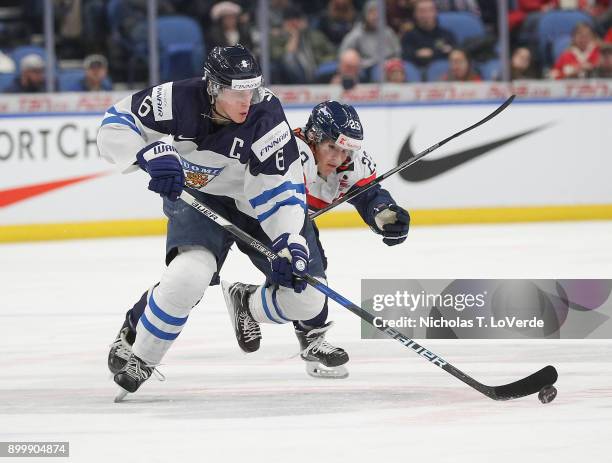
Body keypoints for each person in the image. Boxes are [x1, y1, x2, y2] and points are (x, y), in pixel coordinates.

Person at [100, 44, 327, 396]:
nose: (246, 101)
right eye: (237, 93)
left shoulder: (266, 117)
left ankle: (247, 303)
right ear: (213, 87)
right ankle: (139, 352)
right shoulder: (177, 98)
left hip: (254, 204)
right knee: (189, 275)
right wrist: (146, 153)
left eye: (250, 90)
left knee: (308, 297)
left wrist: (288, 241)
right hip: (198, 195)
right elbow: (116, 123)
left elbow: (280, 188)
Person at [223, 101, 410, 378]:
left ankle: (308, 336)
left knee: (310, 277)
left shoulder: (351, 162)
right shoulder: (288, 153)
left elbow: (369, 194)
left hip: (293, 219)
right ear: (313, 137)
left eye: (346, 149)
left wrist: (383, 213)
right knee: (299, 276)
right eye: (332, 147)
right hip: (256, 214)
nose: (338, 157)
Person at [401, 0, 456, 68]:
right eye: (422, 11)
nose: (426, 14)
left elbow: (455, 54)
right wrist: (440, 52)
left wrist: (431, 53)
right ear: (415, 14)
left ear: (436, 12)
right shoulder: (408, 37)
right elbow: (406, 56)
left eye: (430, 10)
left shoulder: (447, 35)